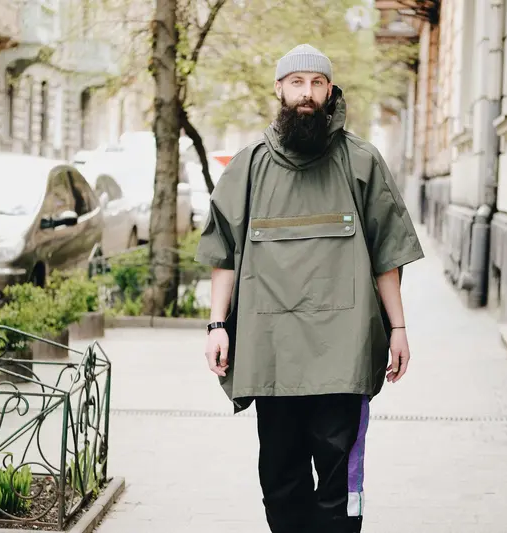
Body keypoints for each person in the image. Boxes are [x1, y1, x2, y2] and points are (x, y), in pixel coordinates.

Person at [194, 44, 424, 533]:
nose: (307, 93)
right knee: (281, 480)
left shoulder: (361, 161)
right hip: (271, 352)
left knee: (339, 488)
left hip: (342, 352)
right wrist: (216, 326)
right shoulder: (249, 166)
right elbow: (224, 252)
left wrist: (399, 329)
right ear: (279, 89)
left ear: (329, 90)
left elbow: (387, 254)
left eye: (317, 83)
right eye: (296, 82)